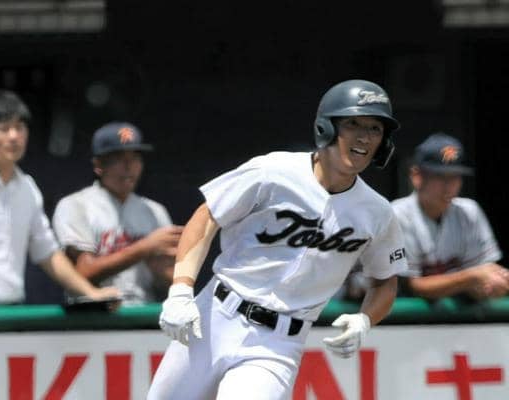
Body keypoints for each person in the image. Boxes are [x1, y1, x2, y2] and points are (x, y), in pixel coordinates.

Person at [147, 79, 408, 399]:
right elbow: (207, 216)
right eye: (353, 124)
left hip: (277, 344)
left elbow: (385, 281)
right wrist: (180, 289)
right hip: (216, 316)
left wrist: (365, 319)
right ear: (326, 127)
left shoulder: (377, 212)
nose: (364, 137)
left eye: (375, 129)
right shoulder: (273, 171)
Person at [0, 89, 120, 306]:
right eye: (3, 129)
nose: (14, 136)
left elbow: (48, 253)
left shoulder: (27, 188)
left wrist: (90, 293)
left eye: (20, 127)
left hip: (11, 310)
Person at [52, 122, 183, 304]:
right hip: (92, 314)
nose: (129, 166)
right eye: (119, 158)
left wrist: (164, 273)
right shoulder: (75, 205)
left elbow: (174, 282)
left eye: (135, 158)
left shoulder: (155, 211)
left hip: (143, 311)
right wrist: (144, 248)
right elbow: (81, 273)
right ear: (98, 165)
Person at [392, 132, 509, 300]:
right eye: (440, 177)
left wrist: (492, 283)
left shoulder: (469, 212)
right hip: (399, 316)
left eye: (455, 177)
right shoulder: (397, 214)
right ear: (417, 176)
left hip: (453, 316)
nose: (449, 186)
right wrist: (472, 277)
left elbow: (482, 276)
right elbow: (411, 286)